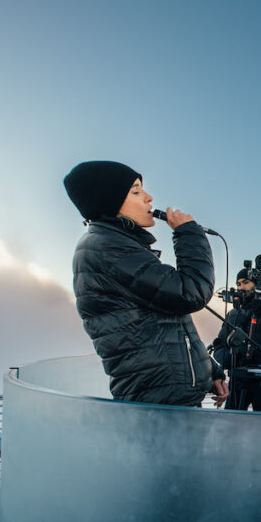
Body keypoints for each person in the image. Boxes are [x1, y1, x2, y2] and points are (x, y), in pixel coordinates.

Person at [63, 160, 228, 406]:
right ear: (109, 200)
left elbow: (168, 323)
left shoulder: (115, 245)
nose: (149, 198)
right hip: (158, 403)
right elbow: (190, 292)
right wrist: (189, 234)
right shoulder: (108, 248)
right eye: (136, 191)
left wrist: (210, 371)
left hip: (166, 397)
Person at [210, 267, 261, 410]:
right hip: (238, 377)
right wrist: (233, 358)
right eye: (238, 284)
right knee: (231, 423)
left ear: (258, 284)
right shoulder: (234, 313)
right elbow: (220, 345)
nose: (241, 287)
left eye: (245, 282)